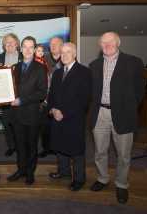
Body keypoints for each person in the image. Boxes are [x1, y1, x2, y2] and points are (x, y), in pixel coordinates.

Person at [89, 32, 144, 204]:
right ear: (100, 45)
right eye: (104, 42)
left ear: (118, 42)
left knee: (124, 154)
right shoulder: (94, 65)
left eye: (111, 41)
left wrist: (128, 108)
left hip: (123, 114)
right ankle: (103, 178)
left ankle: (121, 184)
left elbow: (139, 91)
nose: (107, 45)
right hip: (100, 114)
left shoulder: (133, 62)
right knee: (100, 151)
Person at [47, 43, 92, 191]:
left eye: (68, 52)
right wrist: (53, 109)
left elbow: (83, 100)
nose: (64, 55)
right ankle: (64, 172)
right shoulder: (58, 73)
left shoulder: (84, 72)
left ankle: (79, 179)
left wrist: (64, 113)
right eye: (62, 52)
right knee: (60, 146)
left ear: (74, 54)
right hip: (57, 116)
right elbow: (51, 95)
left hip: (74, 119)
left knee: (76, 150)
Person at [7, 36, 47, 185]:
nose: (28, 50)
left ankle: (30, 173)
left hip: (32, 114)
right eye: (25, 47)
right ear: (21, 49)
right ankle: (21, 170)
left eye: (31, 47)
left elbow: (42, 92)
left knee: (31, 145)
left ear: (35, 49)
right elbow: (9, 89)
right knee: (19, 145)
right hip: (16, 115)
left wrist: (22, 100)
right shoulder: (15, 67)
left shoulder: (41, 68)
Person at [0, 33, 23, 157]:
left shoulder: (24, 56)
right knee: (7, 123)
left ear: (17, 44)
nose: (9, 44)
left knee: (20, 124)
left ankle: (20, 146)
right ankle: (11, 146)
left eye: (12, 42)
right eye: (7, 42)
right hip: (4, 97)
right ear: (3, 45)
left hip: (20, 97)